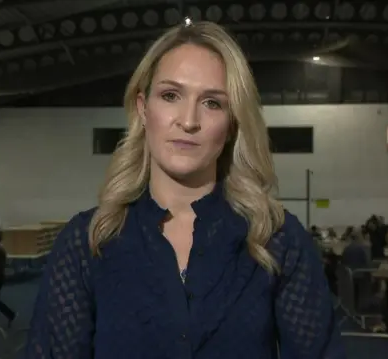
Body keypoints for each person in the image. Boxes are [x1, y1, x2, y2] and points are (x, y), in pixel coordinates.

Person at [25, 20, 343, 359]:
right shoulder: (86, 244)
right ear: (143, 109)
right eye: (170, 95)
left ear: (232, 123)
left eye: (212, 103)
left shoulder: (277, 240)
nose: (188, 120)